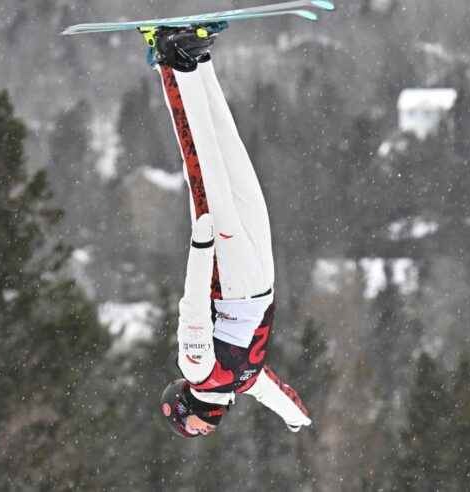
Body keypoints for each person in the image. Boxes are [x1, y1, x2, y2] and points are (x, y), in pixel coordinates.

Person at [146, 25, 313, 438]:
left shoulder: (197, 370)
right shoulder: (243, 383)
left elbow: (193, 310)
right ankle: (200, 64)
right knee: (236, 165)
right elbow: (277, 394)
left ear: (181, 404)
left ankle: (173, 62)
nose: (198, 431)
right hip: (262, 280)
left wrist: (201, 247)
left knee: (203, 165)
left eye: (187, 425)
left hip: (231, 279)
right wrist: (296, 418)